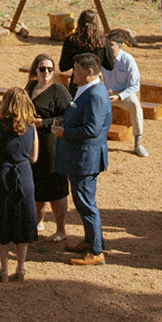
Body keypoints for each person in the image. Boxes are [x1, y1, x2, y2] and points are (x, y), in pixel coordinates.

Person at [53, 52, 111, 266]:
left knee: (86, 204)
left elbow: (92, 129)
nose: (72, 72)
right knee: (83, 201)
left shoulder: (95, 94)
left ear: (89, 71)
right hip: (82, 157)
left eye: (76, 69)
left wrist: (64, 132)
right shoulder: (87, 90)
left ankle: (96, 251)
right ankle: (90, 241)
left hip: (85, 159)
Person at [0, 87, 40, 281]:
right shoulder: (31, 127)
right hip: (24, 174)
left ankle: (4, 268)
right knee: (22, 220)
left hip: (3, 174)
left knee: (2, 220)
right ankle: (22, 267)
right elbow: (34, 157)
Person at [27, 53, 73, 243]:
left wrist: (44, 122)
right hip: (32, 143)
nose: (46, 72)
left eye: (50, 69)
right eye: (42, 69)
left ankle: (61, 228)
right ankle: (38, 223)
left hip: (52, 144)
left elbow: (69, 116)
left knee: (56, 187)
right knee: (36, 184)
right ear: (35, 70)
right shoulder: (30, 88)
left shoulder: (59, 90)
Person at [102, 29, 147, 157]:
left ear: (119, 46)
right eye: (106, 44)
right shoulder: (103, 58)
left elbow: (134, 85)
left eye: (110, 45)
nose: (108, 48)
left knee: (134, 104)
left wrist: (119, 96)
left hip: (123, 94)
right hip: (106, 93)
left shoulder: (128, 60)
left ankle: (138, 143)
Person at [59, 9, 114, 77]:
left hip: (78, 82)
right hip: (94, 81)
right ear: (96, 23)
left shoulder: (71, 40)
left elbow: (63, 66)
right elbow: (110, 65)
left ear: (79, 22)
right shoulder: (102, 41)